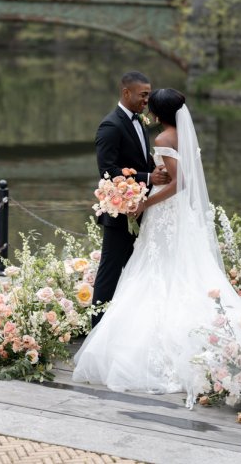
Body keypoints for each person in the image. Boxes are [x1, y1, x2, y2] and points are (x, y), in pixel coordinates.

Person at [73, 89, 241, 407]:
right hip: (175, 217)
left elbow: (180, 182)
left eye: (151, 102)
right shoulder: (180, 136)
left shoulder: (163, 139)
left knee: (157, 272)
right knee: (174, 270)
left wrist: (145, 202)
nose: (146, 106)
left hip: (164, 213)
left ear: (158, 113)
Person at [91, 72, 170, 327]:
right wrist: (148, 178)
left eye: (148, 94)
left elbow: (137, 159)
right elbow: (107, 172)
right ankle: (96, 329)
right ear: (127, 93)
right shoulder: (110, 126)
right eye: (143, 94)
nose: (147, 100)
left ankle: (123, 327)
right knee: (110, 272)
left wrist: (155, 169)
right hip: (120, 212)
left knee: (136, 270)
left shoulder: (139, 121)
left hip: (141, 207)